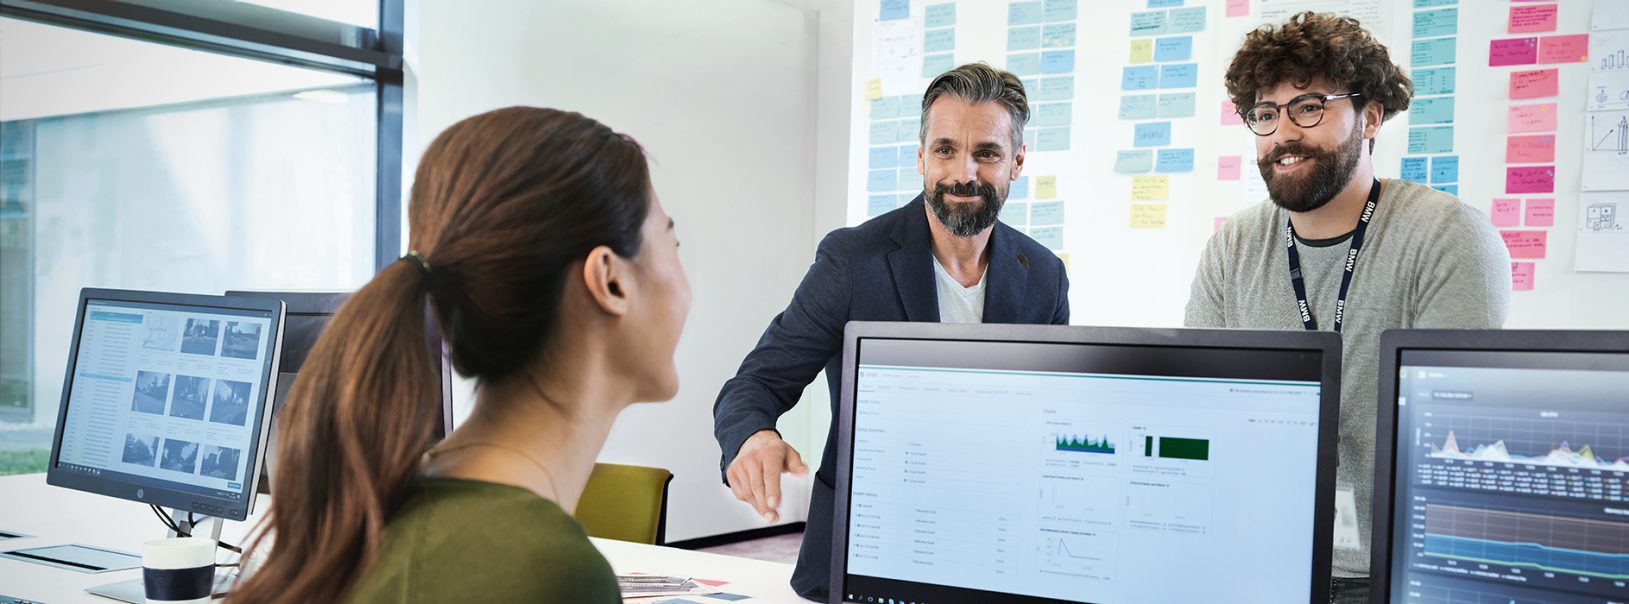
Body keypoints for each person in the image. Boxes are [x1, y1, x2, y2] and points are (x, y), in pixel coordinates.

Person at [227, 107, 690, 603]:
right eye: (672, 242)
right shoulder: (540, 569)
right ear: (611, 281)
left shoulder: (383, 508)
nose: (684, 279)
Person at [712, 62, 1070, 601]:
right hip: (863, 555)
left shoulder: (1043, 274)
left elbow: (1054, 418)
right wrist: (753, 435)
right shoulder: (853, 260)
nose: (962, 173)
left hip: (994, 553)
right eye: (945, 149)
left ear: (1017, 161)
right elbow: (756, 382)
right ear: (921, 156)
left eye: (987, 153)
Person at [1186, 12, 1510, 603]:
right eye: (1265, 114)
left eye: (1309, 107)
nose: (1284, 133)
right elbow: (1204, 414)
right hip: (1258, 560)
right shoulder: (1233, 247)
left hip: (1392, 575)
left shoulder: (1448, 238)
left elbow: (1462, 449)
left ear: (1370, 116)